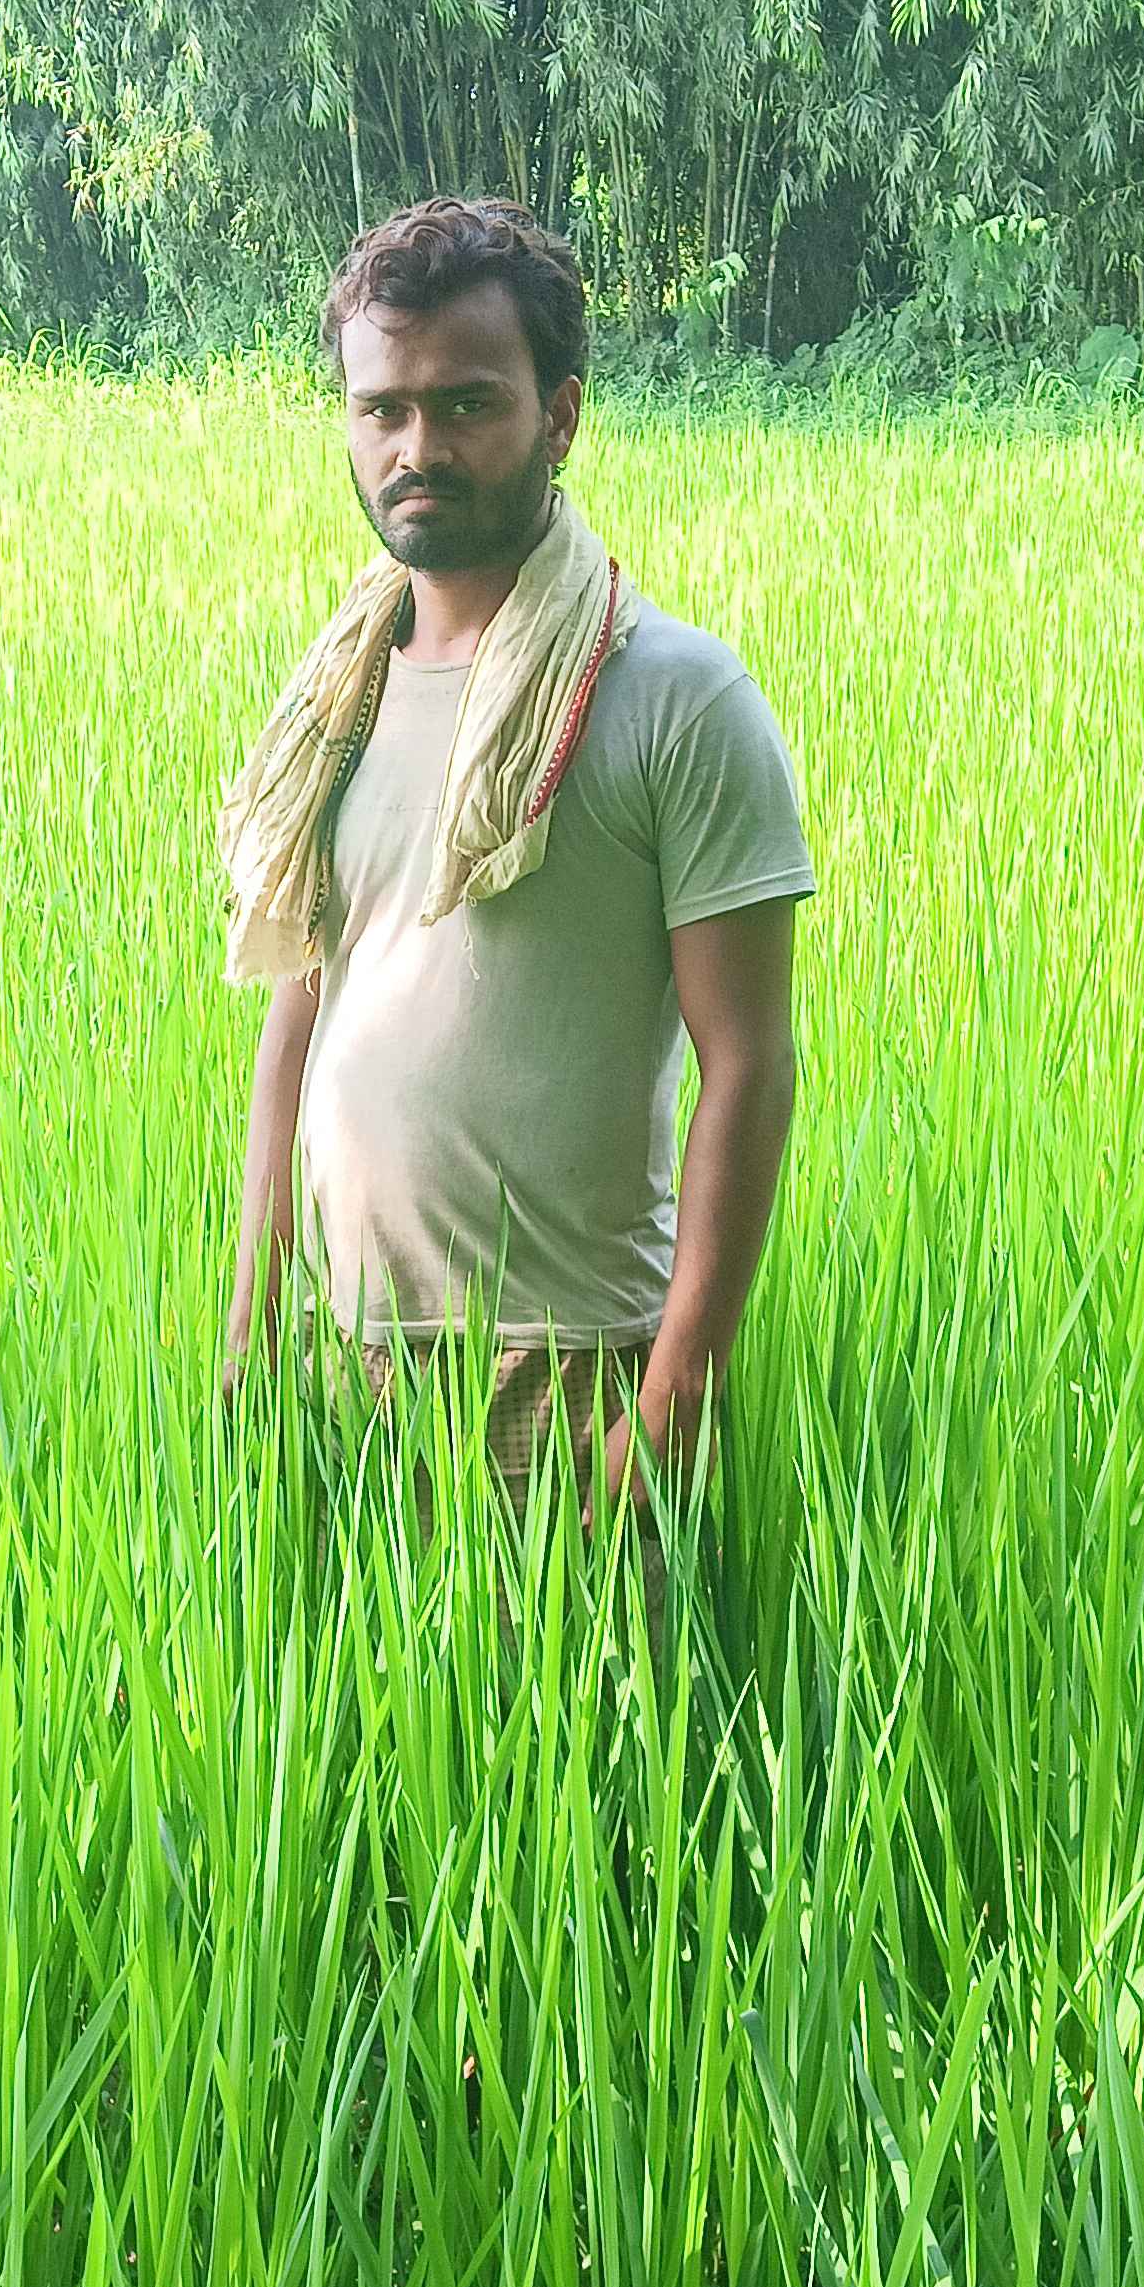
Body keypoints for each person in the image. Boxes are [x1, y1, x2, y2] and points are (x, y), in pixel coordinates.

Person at [217, 193, 815, 1662]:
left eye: (468, 403)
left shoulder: (674, 698)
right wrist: (253, 1314)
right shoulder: (338, 698)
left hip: (573, 1375)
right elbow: (300, 1015)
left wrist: (675, 1397)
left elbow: (749, 1063)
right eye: (383, 408)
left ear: (561, 417)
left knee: (595, 1786)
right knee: (367, 1778)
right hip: (350, 1372)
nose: (416, 446)